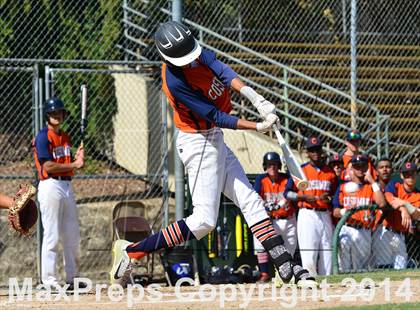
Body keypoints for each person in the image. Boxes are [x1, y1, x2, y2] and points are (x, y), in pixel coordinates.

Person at [110, 21, 315, 287]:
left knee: (252, 202)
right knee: (204, 220)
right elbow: (215, 116)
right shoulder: (174, 81)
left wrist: (254, 97)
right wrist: (257, 126)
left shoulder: (192, 51)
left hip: (213, 139)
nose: (190, 61)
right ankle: (131, 251)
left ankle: (288, 268)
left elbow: (221, 69)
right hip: (198, 144)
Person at [33, 97, 84, 287]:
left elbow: (68, 164)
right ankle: (49, 280)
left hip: (67, 186)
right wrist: (74, 164)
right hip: (50, 186)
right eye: (53, 113)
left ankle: (72, 278)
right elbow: (48, 166)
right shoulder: (43, 136)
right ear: (47, 116)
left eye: (59, 112)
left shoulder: (65, 136)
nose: (57, 115)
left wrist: (78, 159)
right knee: (52, 234)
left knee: (72, 235)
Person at [284, 135, 337, 276]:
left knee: (327, 253)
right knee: (309, 253)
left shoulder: (330, 172)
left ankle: (327, 282)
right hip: (307, 213)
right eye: (312, 150)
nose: (315, 153)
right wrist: (303, 196)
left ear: (322, 151)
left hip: (325, 214)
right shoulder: (300, 171)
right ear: (307, 153)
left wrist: (330, 198)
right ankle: (310, 281)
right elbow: (287, 193)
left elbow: (336, 194)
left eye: (317, 149)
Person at [332, 154, 386, 272]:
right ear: (352, 169)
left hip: (364, 230)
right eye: (357, 167)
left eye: (363, 166)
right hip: (347, 228)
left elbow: (382, 204)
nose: (360, 169)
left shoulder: (371, 187)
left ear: (367, 168)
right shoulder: (343, 187)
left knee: (361, 268)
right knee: (344, 266)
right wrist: (345, 211)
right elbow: (335, 211)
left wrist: (372, 181)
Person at [253, 152, 297, 282]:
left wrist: (279, 205)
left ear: (279, 166)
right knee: (259, 242)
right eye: (269, 165)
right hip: (270, 220)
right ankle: (264, 273)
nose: (272, 167)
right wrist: (265, 205)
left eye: (274, 164)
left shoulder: (287, 178)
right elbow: (256, 195)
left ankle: (284, 275)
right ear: (265, 166)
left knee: (289, 251)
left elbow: (288, 194)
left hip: (287, 220)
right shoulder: (261, 179)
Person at [378, 162, 420, 269]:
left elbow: (416, 215)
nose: (409, 176)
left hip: (401, 235)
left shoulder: (418, 195)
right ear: (401, 175)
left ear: (416, 175)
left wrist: (405, 204)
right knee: (382, 267)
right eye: (406, 174)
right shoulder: (395, 185)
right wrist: (403, 209)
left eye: (412, 173)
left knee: (400, 269)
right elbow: (389, 198)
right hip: (385, 232)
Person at [371, 158, 394, 268]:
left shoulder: (397, 186)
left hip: (396, 230)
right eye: (381, 167)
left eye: (387, 167)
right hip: (378, 229)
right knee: (381, 265)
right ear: (376, 171)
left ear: (392, 170)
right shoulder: (372, 187)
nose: (385, 169)